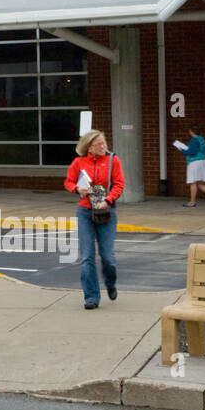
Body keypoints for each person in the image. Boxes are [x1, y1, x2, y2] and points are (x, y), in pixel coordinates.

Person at [65, 129, 125, 310]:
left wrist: (108, 200)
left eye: (103, 143)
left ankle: (110, 282)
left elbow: (119, 183)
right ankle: (91, 297)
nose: (103, 147)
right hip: (85, 212)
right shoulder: (79, 162)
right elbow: (68, 182)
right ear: (89, 147)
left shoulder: (113, 160)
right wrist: (77, 189)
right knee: (87, 257)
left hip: (106, 211)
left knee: (107, 257)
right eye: (98, 144)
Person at [182, 127, 205, 207]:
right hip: (203, 161)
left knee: (193, 182)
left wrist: (182, 149)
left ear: (191, 131)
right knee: (200, 183)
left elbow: (191, 152)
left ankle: (192, 202)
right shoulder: (202, 139)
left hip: (194, 162)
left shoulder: (194, 140)